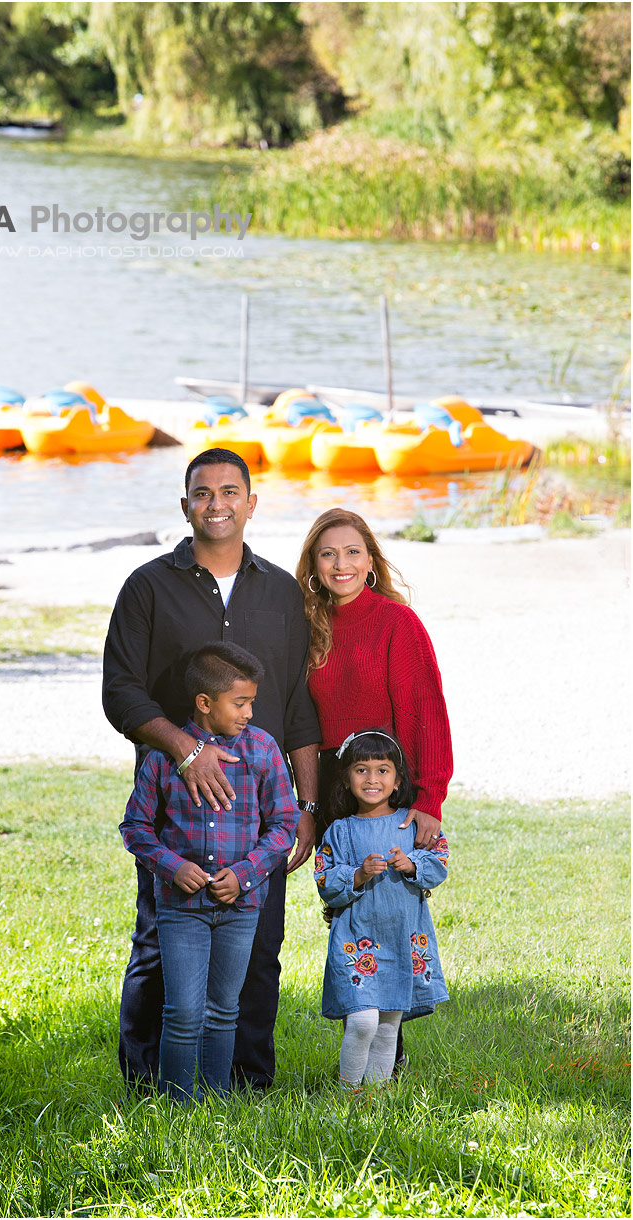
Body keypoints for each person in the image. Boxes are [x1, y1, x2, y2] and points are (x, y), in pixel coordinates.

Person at [103, 447, 321, 1091]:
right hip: (175, 806)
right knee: (158, 945)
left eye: (231, 492)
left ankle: (245, 1082)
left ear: (251, 504)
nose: (217, 503)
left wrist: (307, 807)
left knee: (257, 949)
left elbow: (297, 705)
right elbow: (121, 691)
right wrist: (185, 748)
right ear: (185, 504)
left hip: (259, 809)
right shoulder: (148, 586)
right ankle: (146, 1082)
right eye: (203, 493)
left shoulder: (281, 590)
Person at [296, 506, 453, 1071]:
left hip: (383, 783)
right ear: (313, 564)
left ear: (371, 560)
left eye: (353, 552)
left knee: (391, 907)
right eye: (328, 553)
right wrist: (307, 802)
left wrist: (427, 800)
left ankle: (389, 1047)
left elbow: (426, 715)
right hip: (332, 784)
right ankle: (361, 1036)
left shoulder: (396, 623)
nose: (341, 564)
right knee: (347, 909)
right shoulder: (305, 625)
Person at [120, 642, 299, 1101]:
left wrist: (245, 874)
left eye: (251, 702)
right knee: (182, 1011)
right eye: (239, 703)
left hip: (242, 905)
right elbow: (135, 827)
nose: (248, 712)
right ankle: (179, 1106)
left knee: (224, 1011)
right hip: (181, 909)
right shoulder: (164, 757)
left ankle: (217, 1103)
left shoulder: (262, 750)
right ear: (204, 703)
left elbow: (284, 824)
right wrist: (173, 867)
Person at [314, 728, 449, 1087]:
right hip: (357, 939)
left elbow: (440, 861)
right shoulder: (340, 830)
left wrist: (413, 865)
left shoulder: (411, 823)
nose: (372, 779)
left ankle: (374, 1098)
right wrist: (357, 875)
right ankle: (347, 1095)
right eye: (361, 769)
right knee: (361, 1021)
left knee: (389, 1027)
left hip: (402, 937)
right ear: (345, 777)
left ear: (398, 778)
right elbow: (324, 878)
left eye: (383, 769)